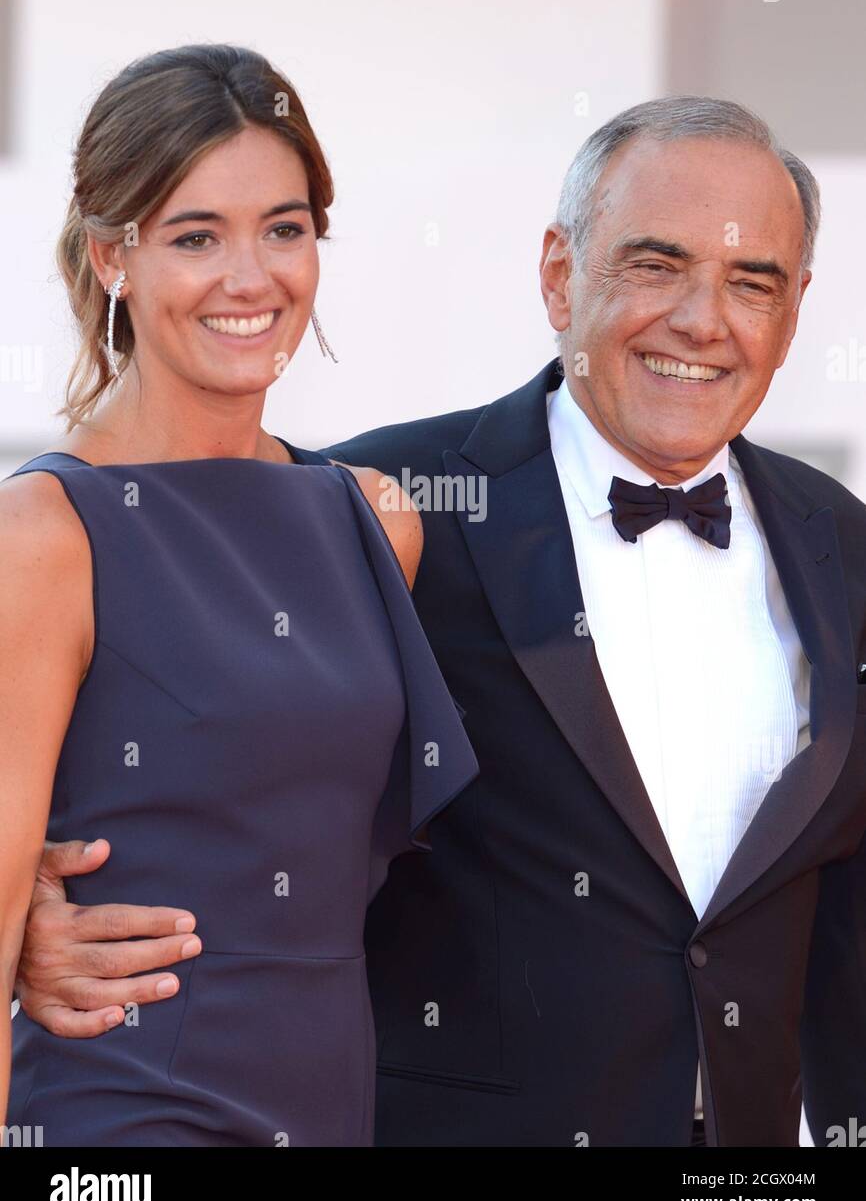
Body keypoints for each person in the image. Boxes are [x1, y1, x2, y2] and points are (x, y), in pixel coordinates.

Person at [16, 97, 866, 1147]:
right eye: (654, 265)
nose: (702, 319)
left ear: (793, 311)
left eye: (752, 282)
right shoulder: (389, 507)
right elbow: (227, 778)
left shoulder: (841, 541)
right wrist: (28, 930)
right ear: (557, 272)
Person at [0, 42, 478, 1146]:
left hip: (327, 1100)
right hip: (120, 1110)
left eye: (285, 226)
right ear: (113, 255)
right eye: (195, 236)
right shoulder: (45, 534)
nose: (251, 277)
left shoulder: (371, 517)